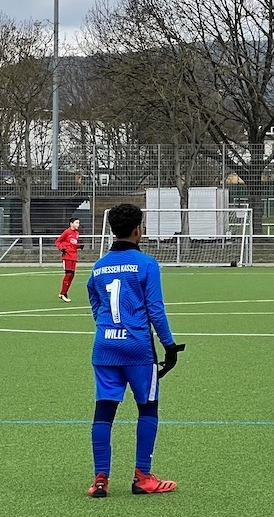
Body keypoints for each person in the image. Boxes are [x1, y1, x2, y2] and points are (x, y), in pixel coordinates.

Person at [86, 202, 183, 498]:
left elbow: (95, 302)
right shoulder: (146, 264)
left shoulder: (99, 266)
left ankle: (100, 479)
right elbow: (155, 309)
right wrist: (169, 346)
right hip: (138, 349)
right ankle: (142, 476)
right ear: (138, 229)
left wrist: (107, 327)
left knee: (104, 410)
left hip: (105, 346)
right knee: (147, 407)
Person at [55, 216, 81, 302]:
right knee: (68, 274)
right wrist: (61, 248)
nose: (78, 224)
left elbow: (72, 244)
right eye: (76, 223)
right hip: (67, 256)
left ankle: (64, 292)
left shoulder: (76, 233)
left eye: (78, 223)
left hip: (74, 256)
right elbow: (58, 241)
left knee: (72, 275)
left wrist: (78, 246)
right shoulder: (67, 232)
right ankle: (63, 293)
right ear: (71, 223)